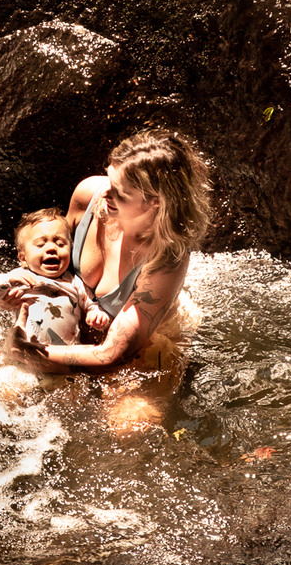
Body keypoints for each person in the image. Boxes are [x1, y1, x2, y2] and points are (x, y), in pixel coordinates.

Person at [12, 131, 212, 430]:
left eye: (120, 193)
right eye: (109, 179)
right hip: (80, 314)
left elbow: (111, 354)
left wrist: (31, 353)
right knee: (9, 395)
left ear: (154, 203)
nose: (105, 194)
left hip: (149, 338)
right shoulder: (88, 195)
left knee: (129, 425)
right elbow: (47, 262)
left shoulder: (166, 259)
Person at [0, 207, 112, 345]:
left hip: (64, 356)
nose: (51, 248)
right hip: (25, 352)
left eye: (60, 244)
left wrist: (97, 317)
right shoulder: (20, 277)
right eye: (40, 244)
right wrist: (7, 280)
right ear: (23, 258)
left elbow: (93, 306)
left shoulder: (74, 282)